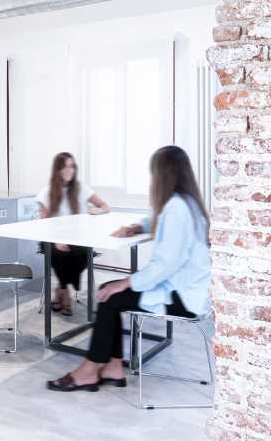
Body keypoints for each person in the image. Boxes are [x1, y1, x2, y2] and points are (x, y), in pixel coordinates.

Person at [47, 145, 211, 391]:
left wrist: (126, 282)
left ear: (162, 174)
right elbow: (159, 222)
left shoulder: (176, 208)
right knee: (108, 290)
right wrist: (139, 226)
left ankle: (89, 370)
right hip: (191, 289)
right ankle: (112, 367)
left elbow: (165, 264)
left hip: (182, 297)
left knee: (108, 295)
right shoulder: (186, 203)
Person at [36, 152, 109, 316]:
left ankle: (61, 290)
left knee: (83, 252)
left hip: (77, 239)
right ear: (57, 170)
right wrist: (56, 240)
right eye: (65, 167)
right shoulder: (47, 192)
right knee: (60, 253)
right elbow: (43, 224)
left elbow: (105, 206)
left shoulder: (81, 188)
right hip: (51, 239)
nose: (69, 170)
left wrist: (96, 210)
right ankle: (65, 295)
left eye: (72, 166)